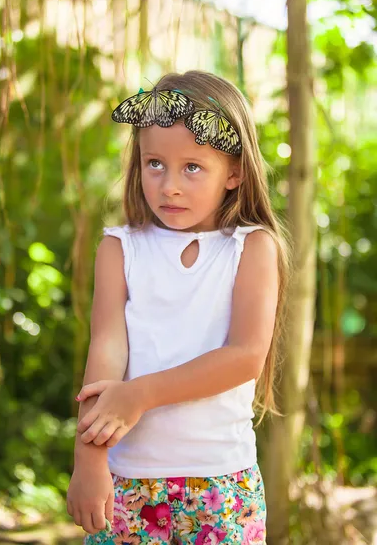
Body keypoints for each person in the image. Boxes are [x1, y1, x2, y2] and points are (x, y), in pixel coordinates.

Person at [67, 70, 292, 545]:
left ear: (234, 172)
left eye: (192, 167)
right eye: (155, 164)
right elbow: (105, 353)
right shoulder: (118, 249)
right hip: (127, 483)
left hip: (222, 484)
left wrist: (140, 394)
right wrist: (89, 459)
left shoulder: (251, 249)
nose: (169, 185)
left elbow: (246, 356)